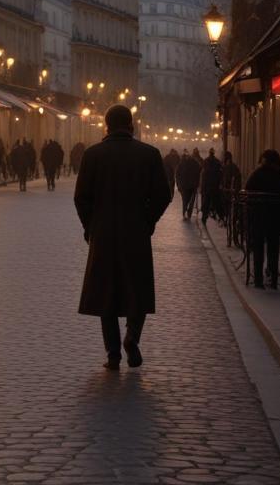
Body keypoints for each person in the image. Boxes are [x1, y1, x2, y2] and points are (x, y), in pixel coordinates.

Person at [74, 105, 172, 371]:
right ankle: (132, 337)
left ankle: (113, 354)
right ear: (131, 125)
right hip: (136, 232)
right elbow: (164, 194)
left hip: (103, 233)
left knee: (106, 291)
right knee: (137, 288)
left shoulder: (93, 155)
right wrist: (148, 220)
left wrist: (90, 226)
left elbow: (81, 197)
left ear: (106, 126)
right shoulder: (149, 154)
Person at [244, 150, 280, 289]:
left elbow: (247, 190)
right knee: (273, 248)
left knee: (258, 248)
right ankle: (273, 278)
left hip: (258, 218)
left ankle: (258, 280)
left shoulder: (257, 174)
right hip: (275, 219)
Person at [199, 148, 223, 229]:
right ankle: (221, 217)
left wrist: (202, 187)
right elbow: (220, 175)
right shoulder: (217, 162)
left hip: (208, 186)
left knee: (206, 203)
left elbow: (204, 175)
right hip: (215, 186)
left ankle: (204, 218)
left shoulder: (206, 161)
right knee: (217, 203)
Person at [175, 149, 201, 219]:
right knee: (191, 201)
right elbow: (199, 173)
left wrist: (178, 184)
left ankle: (184, 213)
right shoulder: (196, 163)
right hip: (192, 185)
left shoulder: (181, 164)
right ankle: (189, 213)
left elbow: (177, 174)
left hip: (184, 185)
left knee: (185, 200)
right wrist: (197, 183)